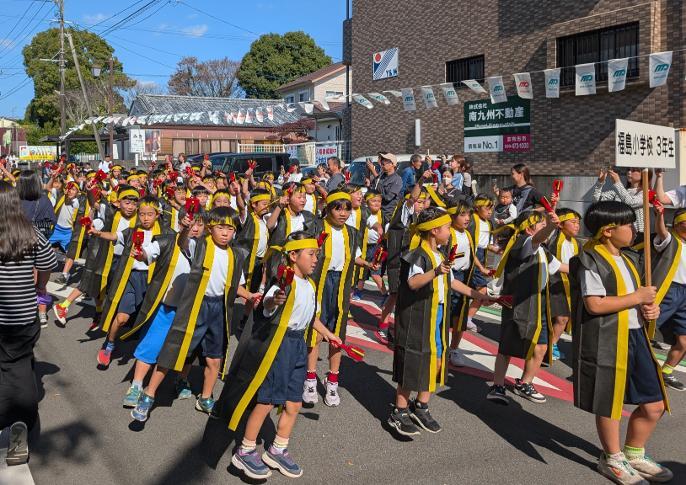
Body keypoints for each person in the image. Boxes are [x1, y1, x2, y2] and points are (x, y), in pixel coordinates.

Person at [217, 232, 342, 480]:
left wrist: (329, 334)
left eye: (317, 255)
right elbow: (268, 303)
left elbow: (312, 317)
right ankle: (245, 450)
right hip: (279, 345)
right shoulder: (282, 283)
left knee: (294, 402)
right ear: (293, 256)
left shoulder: (310, 285)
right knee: (267, 400)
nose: (315, 259)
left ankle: (278, 449)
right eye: (311, 254)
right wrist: (274, 300)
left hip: (298, 346)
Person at [570, 200, 672, 484]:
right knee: (609, 401)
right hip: (607, 338)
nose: (634, 229)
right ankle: (612, 458)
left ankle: (634, 453)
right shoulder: (591, 259)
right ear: (608, 230)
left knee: (655, 403)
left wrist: (649, 308)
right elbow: (594, 304)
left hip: (636, 335)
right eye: (628, 224)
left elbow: (636, 298)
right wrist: (637, 297)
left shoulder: (629, 258)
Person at [131, 207, 253, 421]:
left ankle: (205, 398)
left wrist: (250, 296)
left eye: (230, 228)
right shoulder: (200, 245)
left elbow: (236, 285)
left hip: (219, 308)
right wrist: (186, 229)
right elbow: (183, 243)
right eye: (220, 228)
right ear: (210, 228)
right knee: (173, 350)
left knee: (214, 358)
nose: (225, 233)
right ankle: (148, 394)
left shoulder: (235, 255)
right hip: (196, 305)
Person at [389, 207, 488, 437]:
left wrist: (480, 296)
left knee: (437, 359)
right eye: (447, 228)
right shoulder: (417, 255)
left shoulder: (441, 255)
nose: (450, 232)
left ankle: (421, 405)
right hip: (419, 315)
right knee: (413, 360)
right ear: (434, 231)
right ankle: (399, 410)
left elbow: (452, 282)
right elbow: (413, 283)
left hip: (438, 313)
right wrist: (435, 272)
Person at [0, 181, 57, 466]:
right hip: (23, 316)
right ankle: (20, 425)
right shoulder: (30, 232)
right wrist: (40, 286)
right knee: (21, 368)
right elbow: (49, 262)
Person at [487, 209, 566, 405]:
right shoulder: (522, 243)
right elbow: (538, 238)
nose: (545, 227)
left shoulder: (543, 251)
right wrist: (551, 226)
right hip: (519, 303)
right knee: (507, 346)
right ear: (529, 229)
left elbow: (561, 267)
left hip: (538, 303)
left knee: (541, 346)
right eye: (541, 224)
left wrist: (588, 266)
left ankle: (525, 382)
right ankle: (497, 385)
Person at [303, 191, 371, 407]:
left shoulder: (352, 232)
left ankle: (332, 380)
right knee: (315, 331)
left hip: (341, 282)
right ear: (328, 208)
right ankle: (310, 378)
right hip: (320, 281)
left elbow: (355, 256)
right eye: (338, 208)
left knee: (338, 331)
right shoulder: (316, 226)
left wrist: (367, 264)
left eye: (347, 209)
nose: (343, 213)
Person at [91, 195, 164, 368]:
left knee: (147, 319)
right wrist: (98, 233)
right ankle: (109, 344)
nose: (145, 218)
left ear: (157, 215)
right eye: (142, 214)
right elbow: (114, 236)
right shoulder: (131, 231)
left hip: (153, 280)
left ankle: (148, 353)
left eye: (150, 214)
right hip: (132, 277)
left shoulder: (165, 234)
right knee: (122, 318)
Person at [651, 206, 686, 391]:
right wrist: (660, 215)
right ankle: (629, 367)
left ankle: (666, 372)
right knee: (644, 331)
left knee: (684, 340)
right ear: (677, 224)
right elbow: (661, 231)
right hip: (668, 291)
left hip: (685, 295)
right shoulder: (670, 240)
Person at [546, 208, 581, 362]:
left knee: (561, 318)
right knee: (562, 318)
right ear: (560, 224)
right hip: (554, 283)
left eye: (578, 223)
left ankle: (550, 344)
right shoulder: (553, 239)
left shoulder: (576, 243)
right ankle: (551, 345)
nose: (577, 226)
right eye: (573, 222)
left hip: (569, 285)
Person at [593, 167, 648, 237]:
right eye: (628, 170)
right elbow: (597, 201)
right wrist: (600, 182)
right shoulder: (620, 190)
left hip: (638, 235)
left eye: (634, 170)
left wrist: (617, 182)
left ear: (643, 174)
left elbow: (630, 203)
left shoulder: (646, 192)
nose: (629, 172)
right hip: (620, 233)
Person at [17, 170, 56, 241]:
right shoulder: (44, 199)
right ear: (36, 183)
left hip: (17, 238)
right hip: (36, 240)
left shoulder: (13, 199)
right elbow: (52, 222)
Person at [369, 152, 404, 221]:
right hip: (376, 211)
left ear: (392, 164)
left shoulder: (397, 179)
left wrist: (374, 197)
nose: (382, 163)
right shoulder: (381, 176)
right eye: (382, 162)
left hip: (387, 214)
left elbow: (388, 197)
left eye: (385, 162)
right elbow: (374, 190)